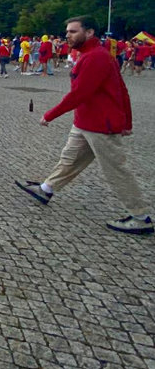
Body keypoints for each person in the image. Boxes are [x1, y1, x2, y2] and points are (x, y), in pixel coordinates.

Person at [16, 16, 152, 235]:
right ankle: (46, 189)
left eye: (73, 31)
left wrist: (50, 115)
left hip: (100, 125)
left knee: (116, 170)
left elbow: (80, 93)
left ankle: (140, 216)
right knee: (69, 160)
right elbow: (120, 89)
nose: (67, 35)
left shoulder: (96, 58)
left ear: (89, 33)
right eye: (67, 31)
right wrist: (127, 120)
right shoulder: (90, 55)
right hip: (85, 122)